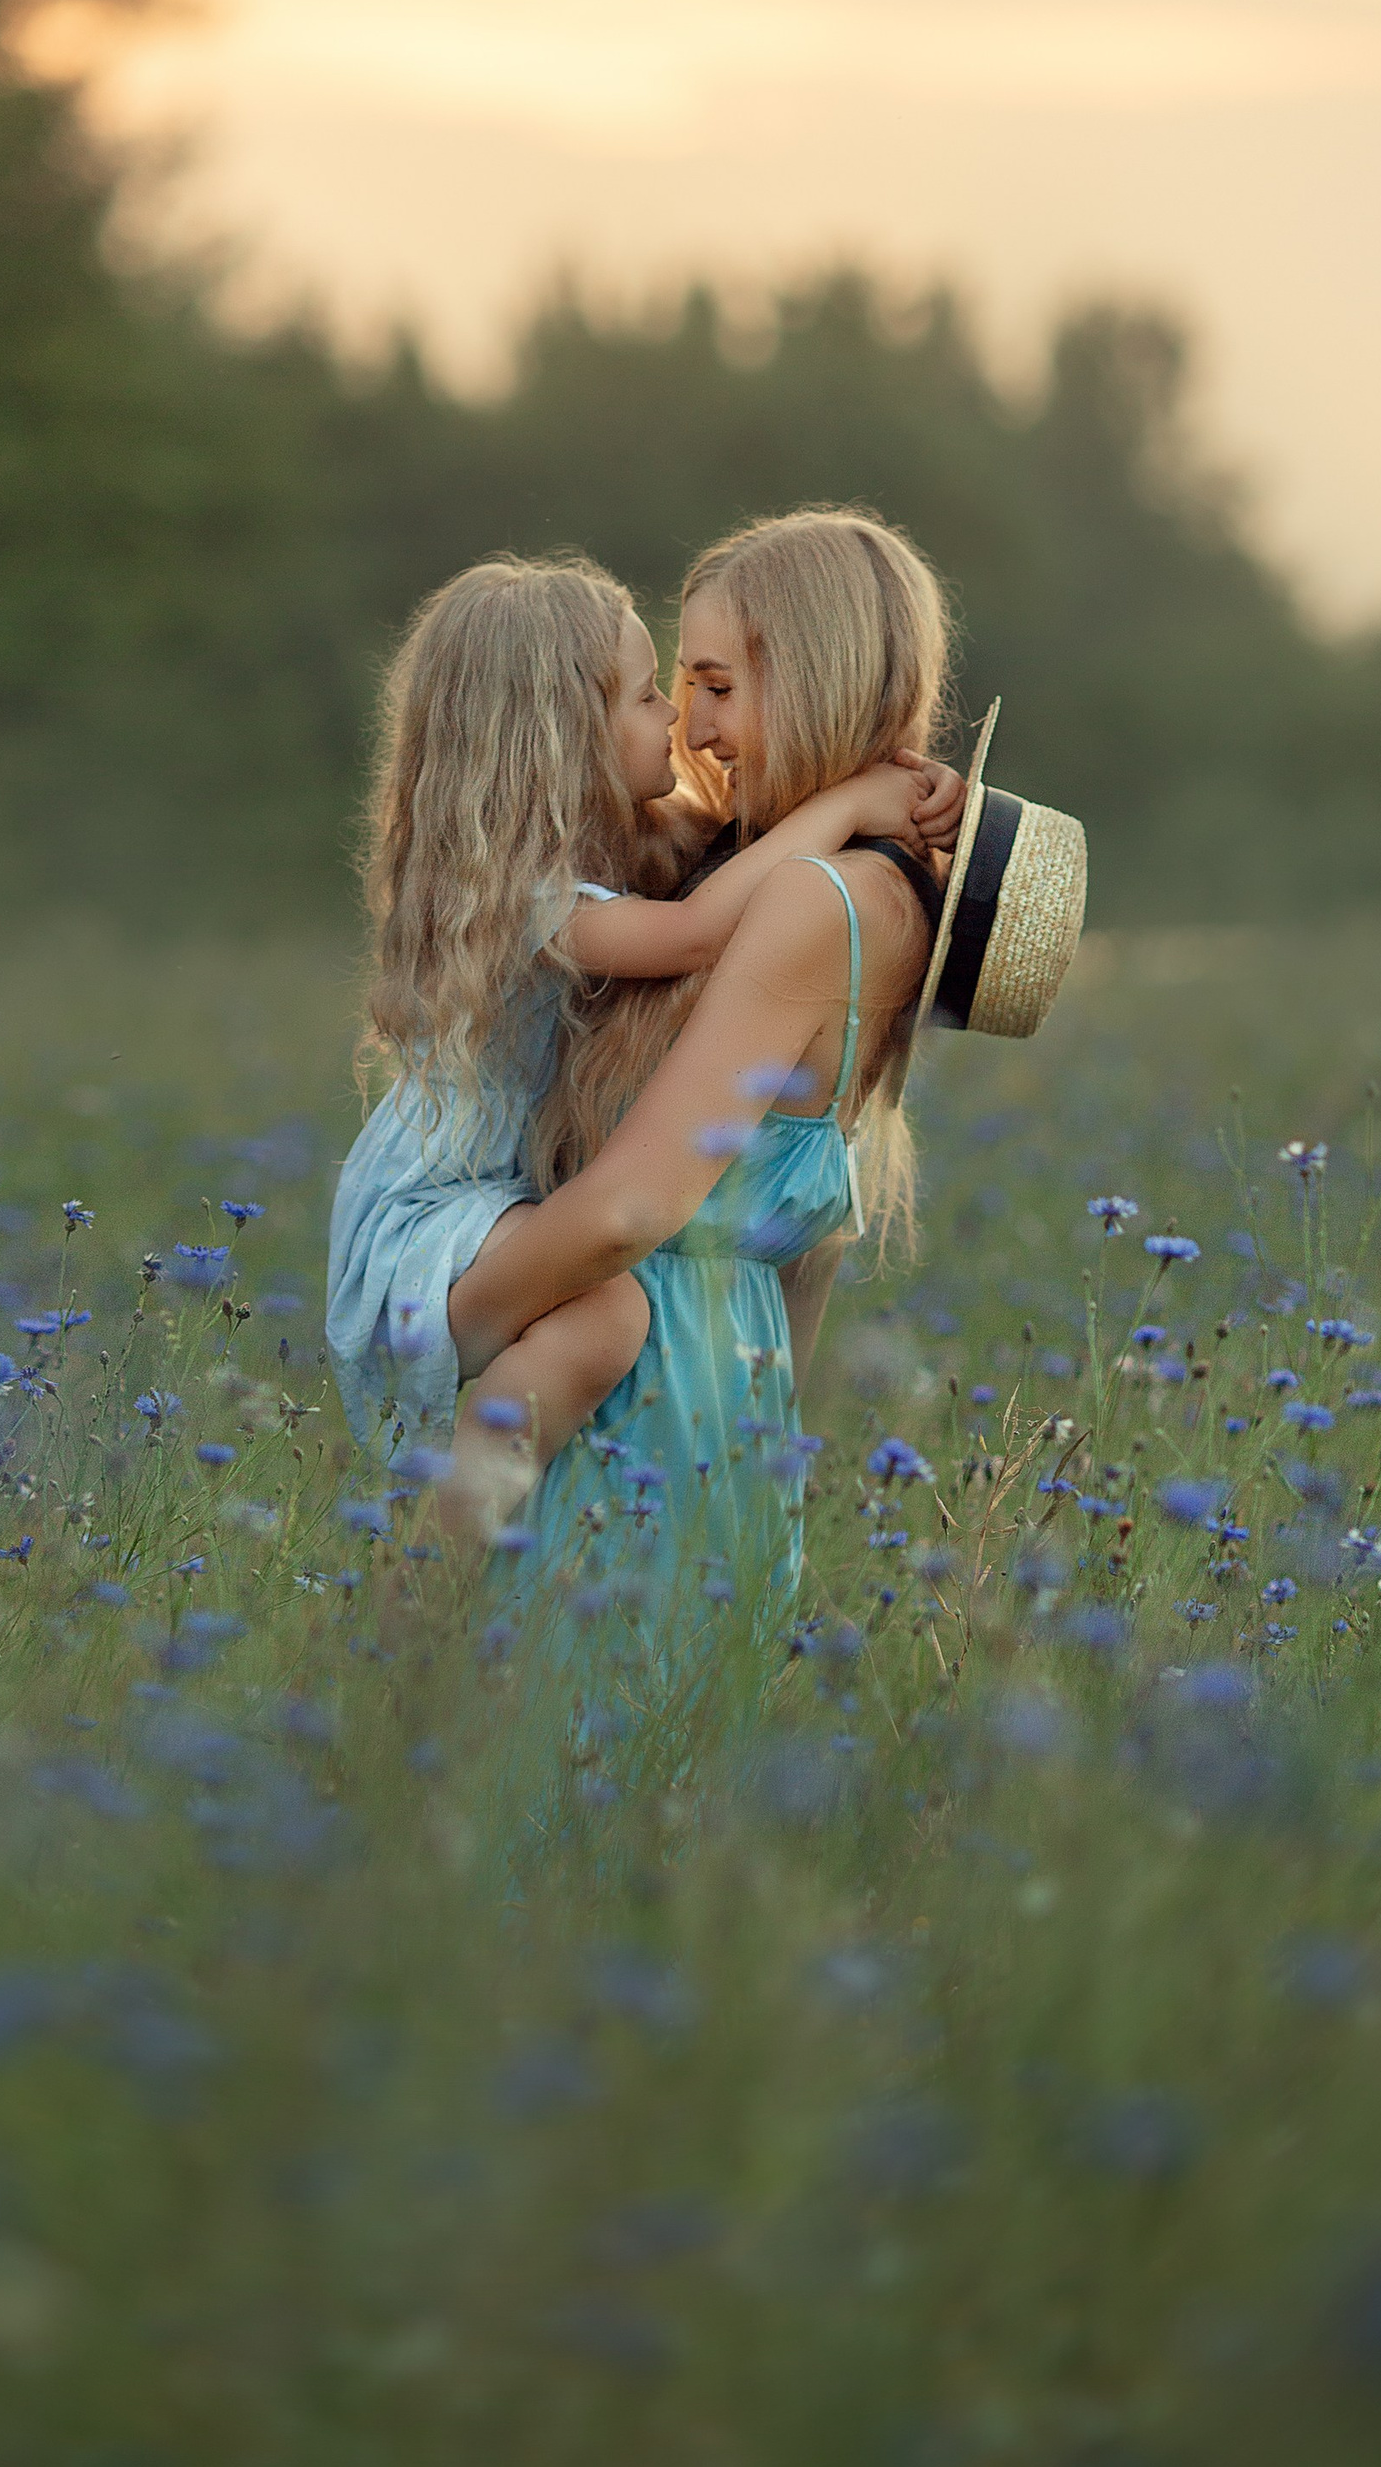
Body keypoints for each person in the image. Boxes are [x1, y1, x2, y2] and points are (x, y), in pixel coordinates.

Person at [326, 552, 960, 1485]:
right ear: (565, 738)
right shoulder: (545, 904)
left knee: (606, 1319)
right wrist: (849, 800)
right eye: (653, 694)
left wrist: (897, 800)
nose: (680, 720)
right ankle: (429, 1575)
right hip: (435, 1217)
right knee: (607, 1317)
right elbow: (698, 930)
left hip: (554, 1285)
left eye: (709, 686)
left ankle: (432, 1570)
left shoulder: (788, 895)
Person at [444, 507, 953, 1644]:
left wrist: (454, 1333)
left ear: (813, 677)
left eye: (717, 687)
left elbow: (631, 1206)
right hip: (711, 1414)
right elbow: (807, 1252)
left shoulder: (819, 902)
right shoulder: (828, 880)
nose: (695, 729)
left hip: (642, 1418)